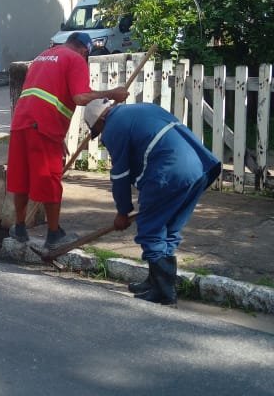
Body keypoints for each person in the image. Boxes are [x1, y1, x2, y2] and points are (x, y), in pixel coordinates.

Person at [83, 99, 221, 305]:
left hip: (169, 172)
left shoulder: (113, 126)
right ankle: (156, 282)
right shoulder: (142, 108)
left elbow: (120, 176)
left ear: (102, 118)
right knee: (169, 228)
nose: (102, 135)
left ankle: (164, 293)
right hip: (200, 167)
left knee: (151, 230)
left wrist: (122, 212)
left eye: (98, 129)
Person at [6, 32, 129, 254]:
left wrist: (58, 134)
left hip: (21, 122)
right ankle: (54, 234)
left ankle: (19, 228)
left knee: (21, 176)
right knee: (50, 178)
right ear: (84, 50)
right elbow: (80, 97)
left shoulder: (43, 56)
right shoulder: (75, 59)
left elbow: (44, 94)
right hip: (42, 126)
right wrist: (113, 93)